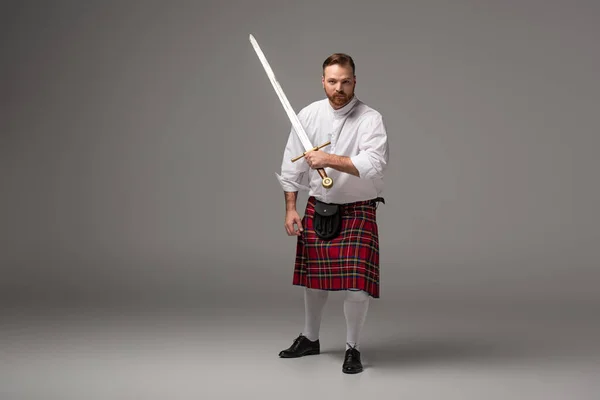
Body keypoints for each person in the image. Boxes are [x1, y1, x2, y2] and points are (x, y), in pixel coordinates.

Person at [275, 53, 389, 374]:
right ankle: (311, 339)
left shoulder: (370, 119)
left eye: (346, 81)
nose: (339, 88)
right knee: (314, 281)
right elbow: (290, 166)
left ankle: (352, 348)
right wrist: (290, 209)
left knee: (356, 285)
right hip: (316, 208)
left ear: (355, 81)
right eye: (333, 81)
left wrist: (328, 159)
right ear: (323, 81)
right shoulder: (308, 115)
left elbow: (374, 164)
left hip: (358, 211)